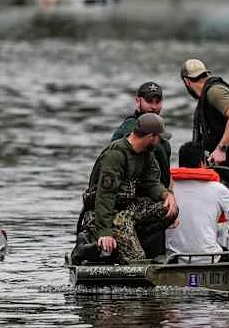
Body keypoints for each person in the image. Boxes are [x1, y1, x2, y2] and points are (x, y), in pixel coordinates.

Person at [72, 113, 178, 265]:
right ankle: (91, 243)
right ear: (150, 136)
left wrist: (167, 195)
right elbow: (105, 196)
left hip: (128, 211)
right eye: (159, 137)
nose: (160, 141)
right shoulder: (116, 155)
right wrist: (105, 233)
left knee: (168, 209)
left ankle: (129, 238)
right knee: (136, 262)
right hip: (106, 214)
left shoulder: (146, 154)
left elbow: (151, 183)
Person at [180, 58, 229, 186]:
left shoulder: (214, 92)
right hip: (228, 163)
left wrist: (221, 149)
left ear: (186, 81)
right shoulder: (207, 94)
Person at [165, 141, 229, 263]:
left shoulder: (168, 189)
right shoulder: (216, 188)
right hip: (209, 258)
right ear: (202, 163)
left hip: (174, 258)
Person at [112, 81, 172, 190]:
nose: (153, 107)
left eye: (157, 102)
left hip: (159, 191)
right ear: (138, 101)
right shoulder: (127, 131)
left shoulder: (161, 135)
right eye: (149, 101)